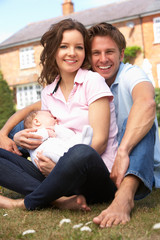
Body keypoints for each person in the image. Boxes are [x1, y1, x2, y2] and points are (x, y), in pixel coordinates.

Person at [0, 19, 118, 212]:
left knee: (81, 151)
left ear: (84, 52)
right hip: (55, 175)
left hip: (95, 175)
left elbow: (100, 142)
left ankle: (26, 203)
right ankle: (60, 199)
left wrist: (60, 168)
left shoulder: (93, 81)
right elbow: (45, 133)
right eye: (64, 46)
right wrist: (22, 139)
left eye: (78, 47)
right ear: (54, 50)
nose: (72, 53)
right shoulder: (48, 92)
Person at [87, 22, 160, 227]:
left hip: (139, 165)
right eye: (96, 53)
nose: (103, 59)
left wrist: (123, 150)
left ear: (121, 54)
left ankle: (125, 197)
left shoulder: (131, 74)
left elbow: (147, 102)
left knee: (138, 118)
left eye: (109, 51)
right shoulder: (88, 82)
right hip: (107, 168)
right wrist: (5, 130)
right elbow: (46, 102)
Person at [24, 109, 93, 166]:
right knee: (58, 153)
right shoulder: (33, 133)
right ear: (37, 122)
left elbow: (68, 136)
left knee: (72, 142)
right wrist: (46, 132)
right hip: (44, 155)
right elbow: (31, 139)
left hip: (61, 148)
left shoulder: (53, 132)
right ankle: (76, 160)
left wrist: (57, 128)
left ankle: (83, 142)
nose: (56, 119)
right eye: (51, 117)